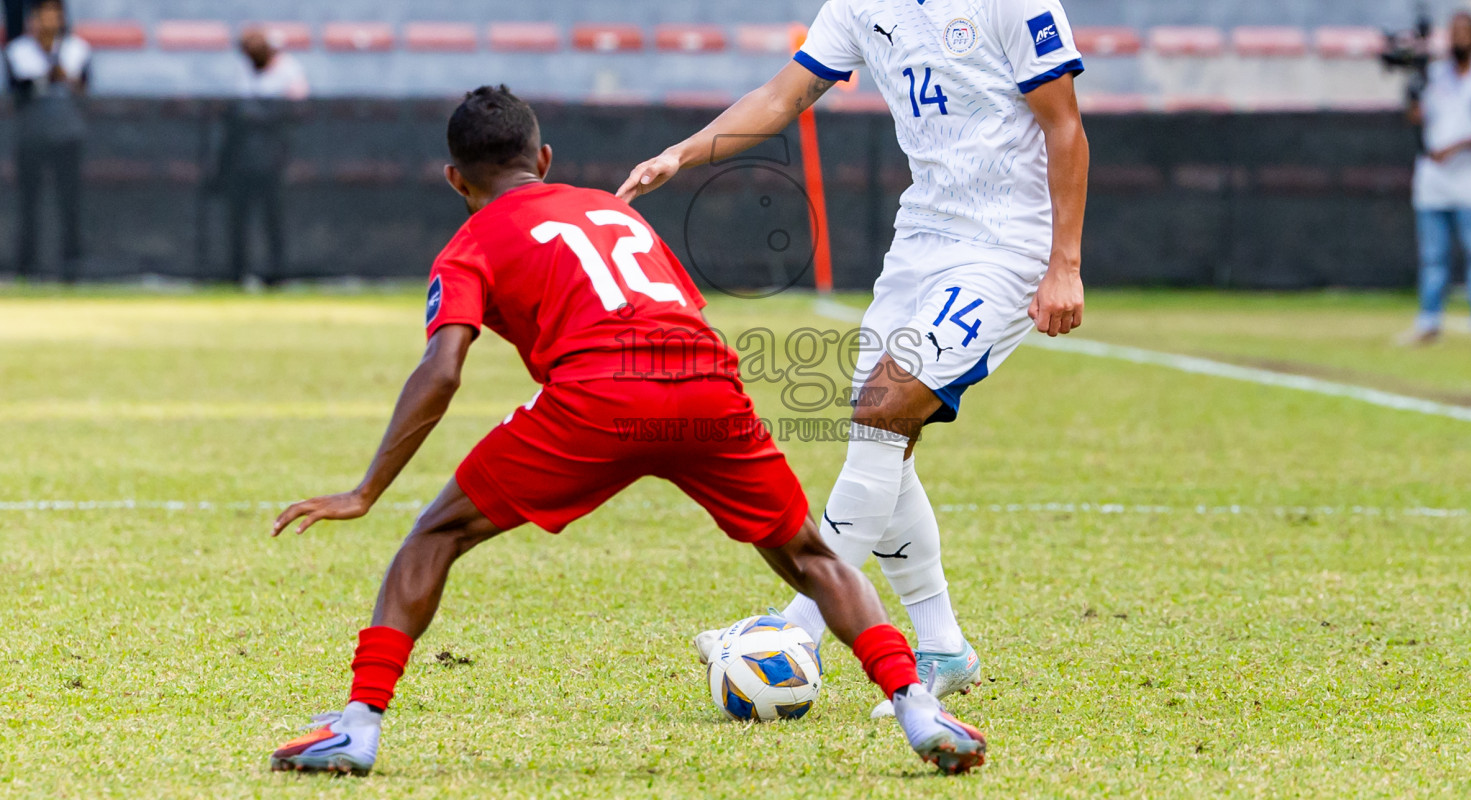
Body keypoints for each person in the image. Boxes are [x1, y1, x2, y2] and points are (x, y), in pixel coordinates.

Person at [266, 87, 986, 776]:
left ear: (455, 179)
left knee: (433, 537)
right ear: (544, 159)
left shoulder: (469, 243)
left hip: (595, 400)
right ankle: (917, 708)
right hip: (706, 386)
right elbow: (681, 308)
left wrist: (367, 489)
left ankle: (360, 723)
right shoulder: (615, 214)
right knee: (811, 557)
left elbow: (443, 370)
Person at [619, 0, 1089, 715]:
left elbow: (1065, 129)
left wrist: (1063, 263)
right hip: (923, 241)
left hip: (1005, 246)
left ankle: (797, 626)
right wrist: (682, 153)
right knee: (884, 432)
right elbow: (781, 96)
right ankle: (943, 645)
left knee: (884, 406)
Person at [1401, 11, 1471, 349]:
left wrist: (1456, 147)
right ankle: (1429, 321)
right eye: (1453, 32)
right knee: (1433, 256)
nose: (1457, 38)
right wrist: (1410, 93)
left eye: (1465, 32)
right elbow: (1417, 117)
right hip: (1434, 183)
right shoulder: (1434, 76)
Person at [214, 29, 308, 284]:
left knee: (273, 216)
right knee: (239, 217)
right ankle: (238, 272)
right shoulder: (243, 72)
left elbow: (298, 102)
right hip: (243, 158)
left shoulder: (288, 69)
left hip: (274, 157)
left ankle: (277, 273)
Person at [6, 0, 90, 279]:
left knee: (70, 201)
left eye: (55, 15)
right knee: (29, 201)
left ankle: (72, 265)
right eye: (43, 15)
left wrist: (64, 78)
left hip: (67, 133)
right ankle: (26, 266)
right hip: (32, 133)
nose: (49, 22)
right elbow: (19, 89)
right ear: (33, 20)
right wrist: (48, 77)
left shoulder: (77, 49)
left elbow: (85, 87)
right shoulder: (19, 50)